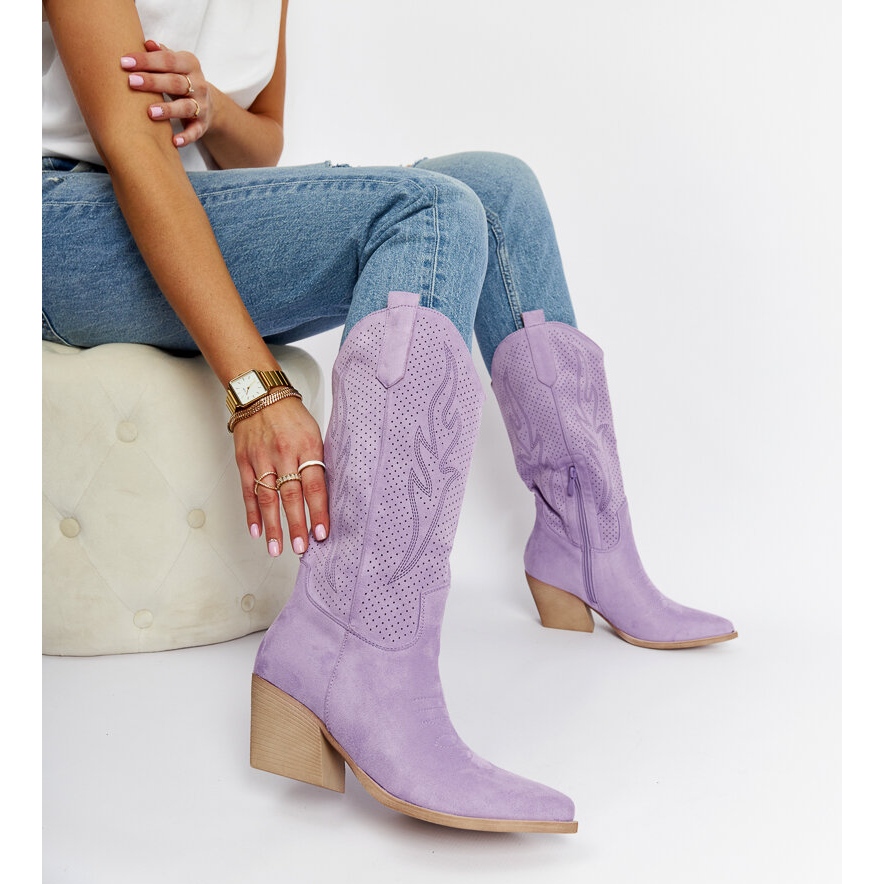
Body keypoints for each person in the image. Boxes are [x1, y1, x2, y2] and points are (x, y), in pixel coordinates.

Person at [42, 0, 736, 834]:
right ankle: (355, 649)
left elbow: (261, 143)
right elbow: (131, 145)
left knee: (497, 186)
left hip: (183, 191)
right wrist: (256, 390)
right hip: (59, 223)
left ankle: (587, 544)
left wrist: (211, 107)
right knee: (429, 213)